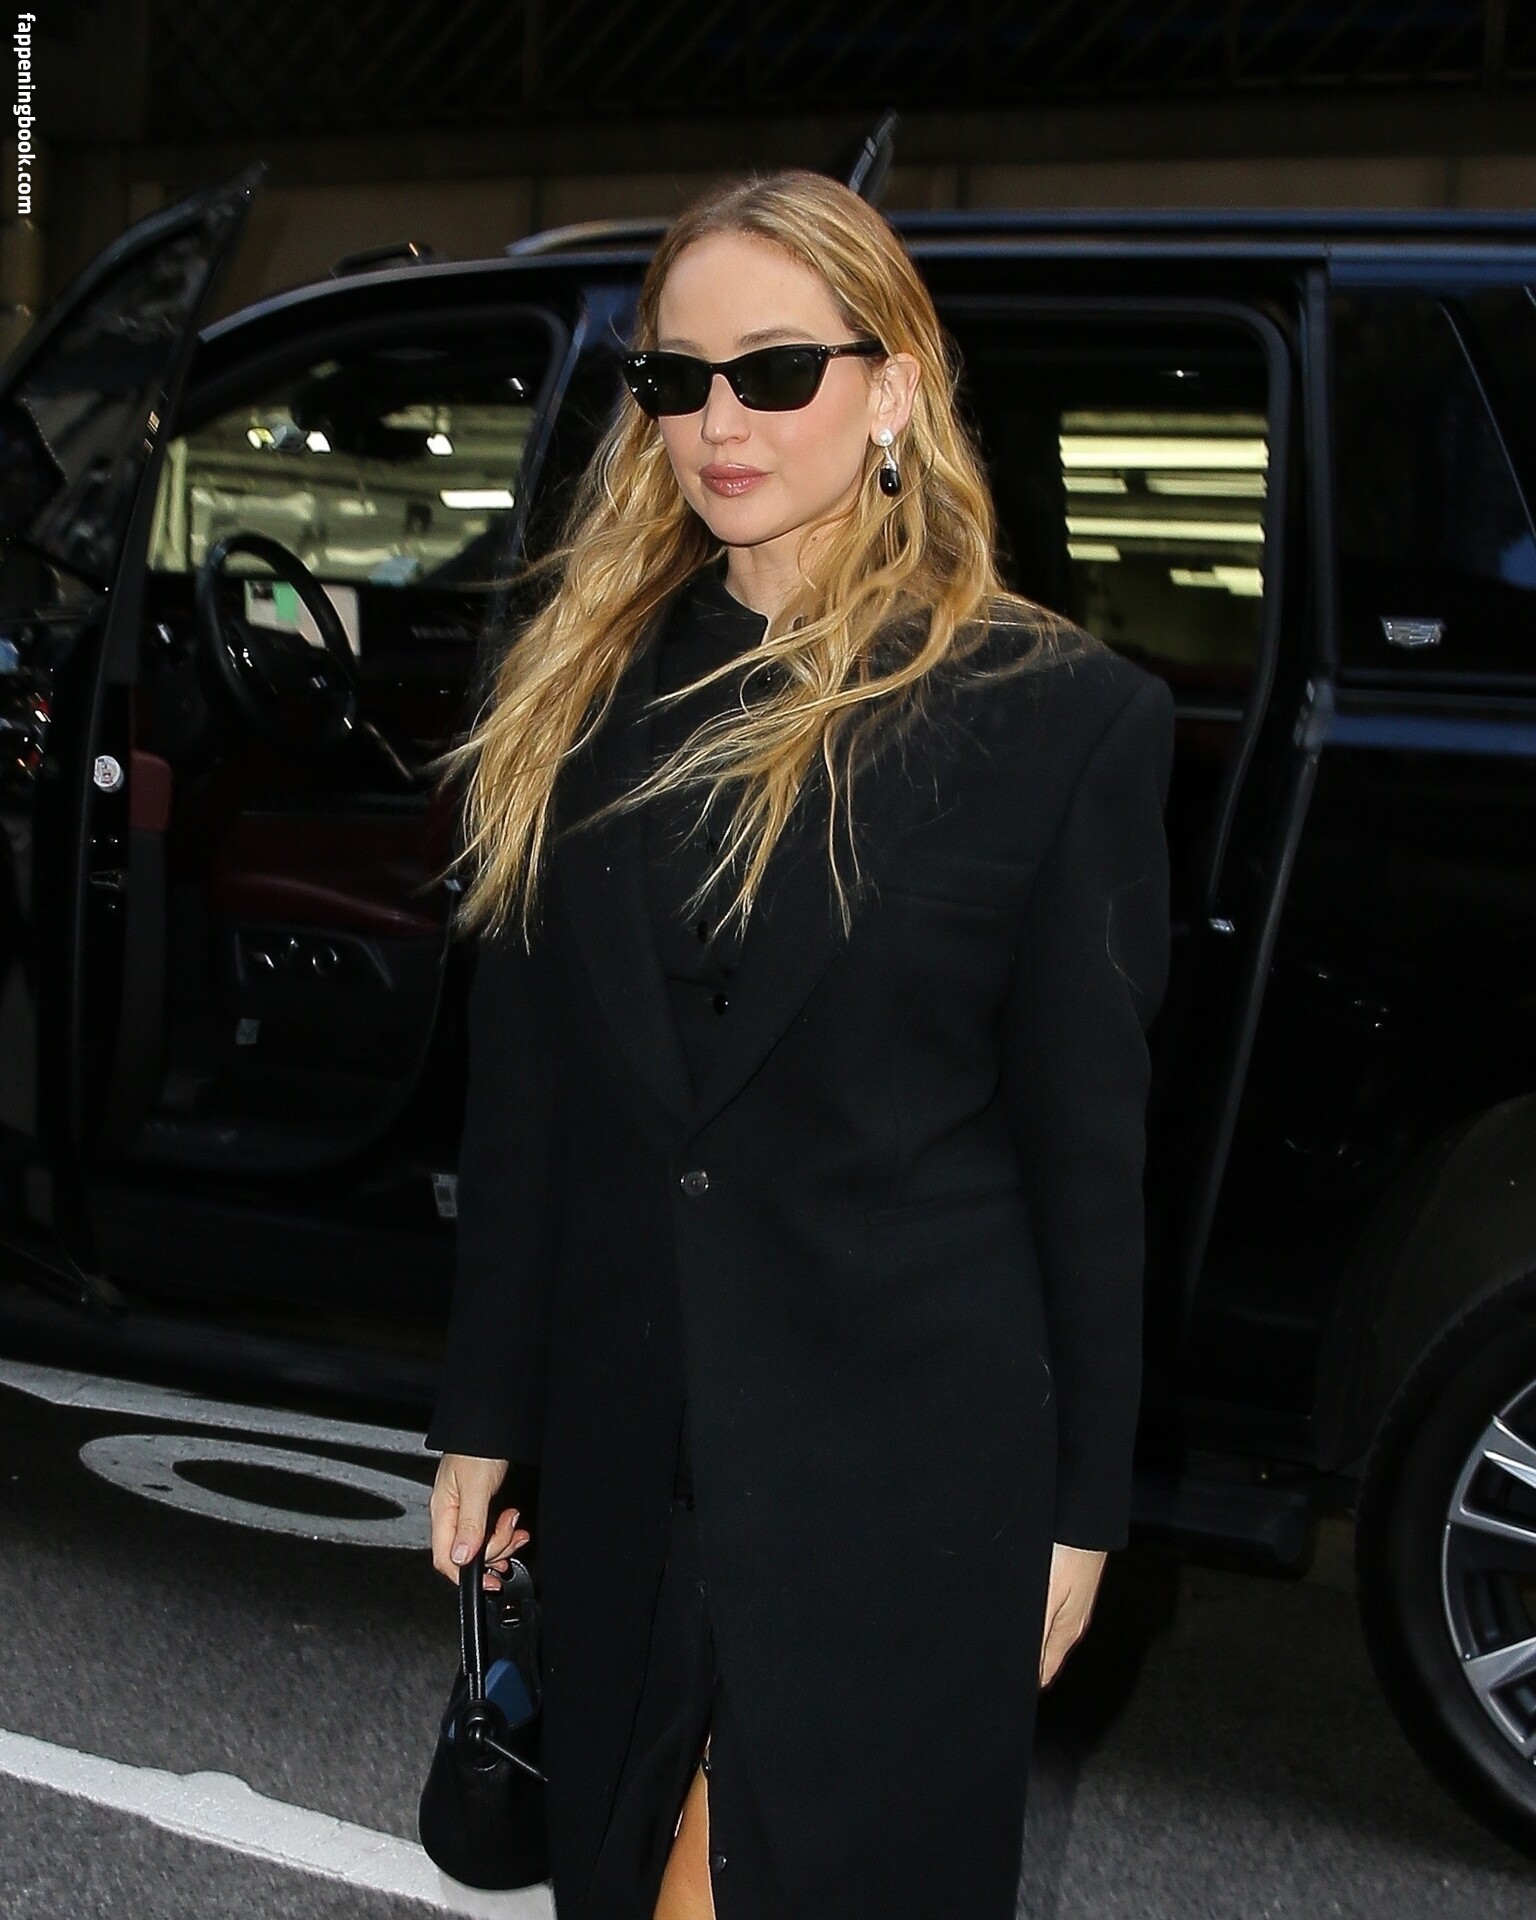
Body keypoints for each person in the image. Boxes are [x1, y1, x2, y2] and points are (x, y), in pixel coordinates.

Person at [425, 166, 1174, 1920]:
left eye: (772, 372)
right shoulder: (577, 685)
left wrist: (1084, 1504)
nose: (719, 423)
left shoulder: (1054, 719)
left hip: (904, 1465)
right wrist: (485, 1411)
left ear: (893, 385)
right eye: (676, 380)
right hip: (633, 1435)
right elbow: (527, 1093)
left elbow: (1086, 1151)